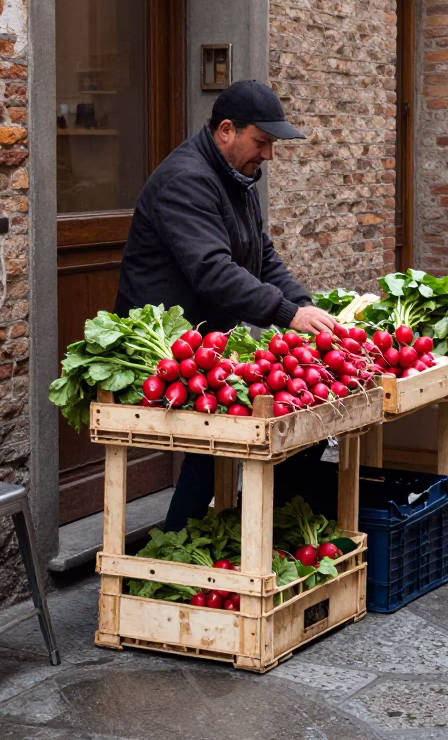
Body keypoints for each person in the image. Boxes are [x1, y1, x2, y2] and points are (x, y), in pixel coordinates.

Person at [115, 79, 337, 530]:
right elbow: (213, 270)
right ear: (227, 131)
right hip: (164, 345)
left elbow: (262, 257)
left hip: (206, 340)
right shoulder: (187, 181)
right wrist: (287, 314)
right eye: (262, 142)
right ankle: (176, 546)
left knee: (296, 423)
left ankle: (251, 527)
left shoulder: (238, 179)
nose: (268, 156)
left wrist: (303, 305)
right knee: (214, 442)